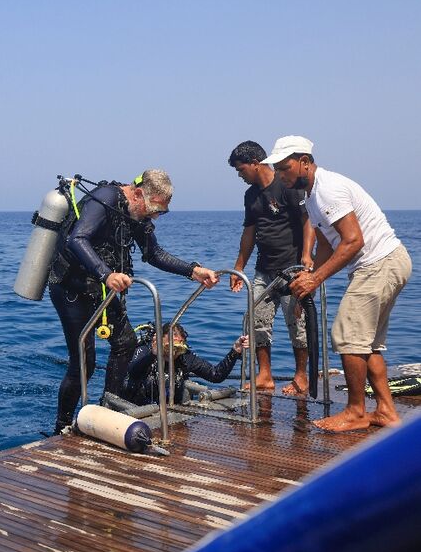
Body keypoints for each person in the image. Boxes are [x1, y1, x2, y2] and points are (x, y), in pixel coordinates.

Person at [48, 169, 219, 434]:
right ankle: (61, 427)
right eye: (155, 209)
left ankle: (107, 412)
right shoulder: (105, 199)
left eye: (162, 212)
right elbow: (77, 239)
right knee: (84, 362)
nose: (155, 216)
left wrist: (193, 271)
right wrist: (106, 274)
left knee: (126, 343)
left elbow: (154, 254)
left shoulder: (137, 214)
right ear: (138, 194)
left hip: (102, 289)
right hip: (71, 288)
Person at [263, 135, 411, 431]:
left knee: (347, 336)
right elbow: (326, 246)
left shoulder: (327, 190)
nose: (279, 175)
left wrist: (316, 278)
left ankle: (356, 412)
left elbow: (354, 241)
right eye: (276, 169)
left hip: (378, 263)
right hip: (388, 262)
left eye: (284, 167)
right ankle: (385, 410)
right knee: (367, 344)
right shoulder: (311, 196)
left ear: (304, 162)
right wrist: (309, 284)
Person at [228, 141, 315, 395]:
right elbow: (249, 233)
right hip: (263, 270)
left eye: (241, 170)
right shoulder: (250, 195)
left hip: (292, 269)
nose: (240, 175)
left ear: (255, 163)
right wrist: (239, 267)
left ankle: (301, 376)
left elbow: (308, 221)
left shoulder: (286, 184)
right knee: (256, 321)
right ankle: (264, 375)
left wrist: (307, 256)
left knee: (297, 325)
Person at [109, 323, 249, 405]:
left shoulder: (185, 357)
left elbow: (215, 375)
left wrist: (234, 351)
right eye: (170, 345)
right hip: (137, 407)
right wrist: (153, 354)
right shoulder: (145, 351)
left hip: (171, 409)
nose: (173, 351)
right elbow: (133, 372)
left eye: (178, 346)